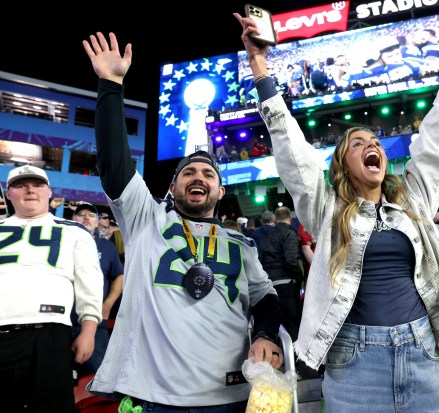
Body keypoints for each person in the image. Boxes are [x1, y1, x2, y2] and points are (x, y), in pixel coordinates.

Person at [236, 14, 439, 412]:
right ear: (342, 166)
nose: (373, 146)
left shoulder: (413, 199)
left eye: (375, 142)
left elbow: (435, 144)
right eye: (358, 143)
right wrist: (259, 67)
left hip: (425, 352)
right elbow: (290, 148)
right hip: (355, 361)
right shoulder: (327, 209)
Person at [83, 31, 283, 412]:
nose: (198, 178)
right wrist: (110, 86)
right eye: (189, 172)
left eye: (209, 175)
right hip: (158, 397)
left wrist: (267, 333)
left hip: (232, 393)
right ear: (173, 186)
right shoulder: (146, 218)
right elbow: (114, 164)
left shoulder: (243, 245)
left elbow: (265, 296)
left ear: (221, 192)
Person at [0, 164, 103, 412]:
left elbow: (90, 282)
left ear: (49, 192)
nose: (30, 190)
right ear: (9, 193)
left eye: (37, 185)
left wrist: (89, 330)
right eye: (21, 185)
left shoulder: (75, 231)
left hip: (51, 333)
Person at [71, 201, 124, 377]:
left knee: (95, 375)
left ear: (96, 222)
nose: (86, 217)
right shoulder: (61, 242)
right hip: (61, 321)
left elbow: (119, 276)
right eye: (81, 214)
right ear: (72, 219)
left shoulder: (106, 246)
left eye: (91, 215)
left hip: (95, 320)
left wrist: (107, 305)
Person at [260, 206, 304, 342]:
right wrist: (299, 277)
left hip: (271, 285)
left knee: (281, 326)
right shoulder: (289, 234)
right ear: (290, 218)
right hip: (287, 285)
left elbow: (261, 261)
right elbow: (291, 260)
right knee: (293, 326)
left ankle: (286, 359)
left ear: (275, 219)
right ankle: (298, 360)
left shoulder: (266, 237)